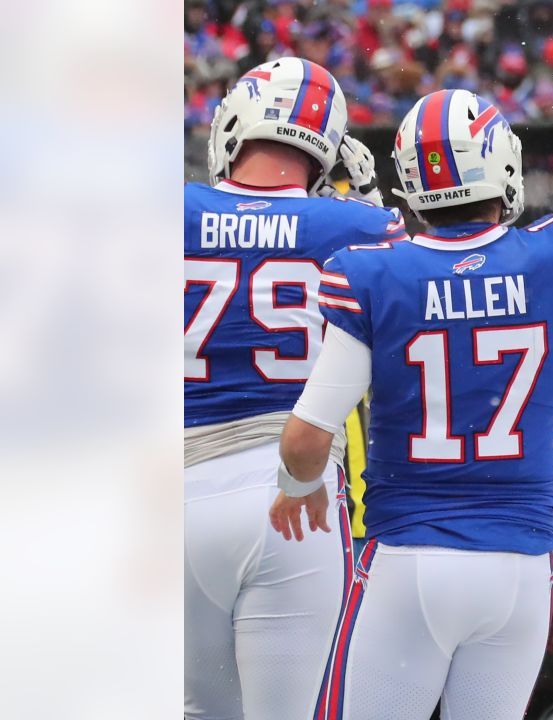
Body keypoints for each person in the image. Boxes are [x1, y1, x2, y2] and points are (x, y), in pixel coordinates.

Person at [266, 76, 553, 719]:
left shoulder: (377, 273)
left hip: (409, 560)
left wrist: (295, 484)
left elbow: (306, 439)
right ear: (502, 165)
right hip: (519, 568)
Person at [184, 57, 406, 720]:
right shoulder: (359, 229)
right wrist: (367, 203)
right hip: (294, 494)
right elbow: (400, 305)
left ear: (234, 122)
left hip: (178, 488)